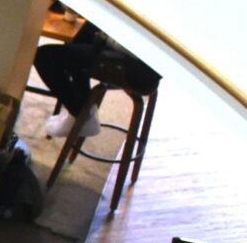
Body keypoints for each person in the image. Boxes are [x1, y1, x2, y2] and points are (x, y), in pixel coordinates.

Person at [32, 16, 158, 146]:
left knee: (44, 57)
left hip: (137, 69)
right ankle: (82, 110)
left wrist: (106, 37)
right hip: (131, 54)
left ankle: (80, 114)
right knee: (90, 26)